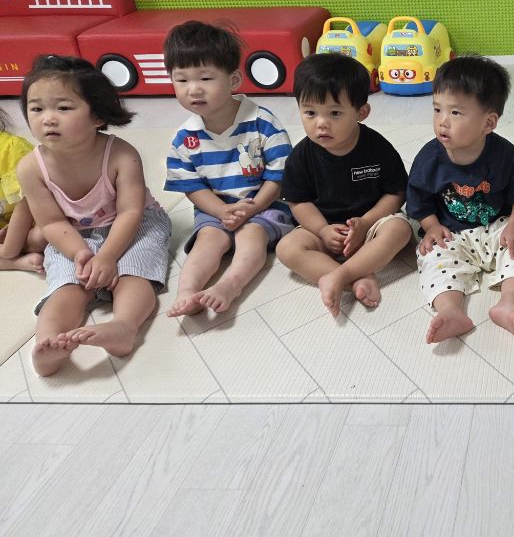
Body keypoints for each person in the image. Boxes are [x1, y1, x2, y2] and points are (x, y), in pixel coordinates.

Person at [16, 56, 171, 376]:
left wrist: (109, 256)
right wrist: (81, 254)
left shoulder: (121, 154)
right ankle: (48, 342)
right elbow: (51, 222)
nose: (48, 119)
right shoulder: (31, 168)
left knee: (133, 275)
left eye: (63, 108)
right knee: (65, 287)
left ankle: (124, 327)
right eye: (36, 108)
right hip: (71, 235)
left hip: (133, 224)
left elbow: (130, 210)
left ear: (97, 116)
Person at [406, 55, 514, 343]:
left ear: (488, 122)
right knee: (432, 256)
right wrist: (431, 226)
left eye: (455, 113)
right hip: (450, 232)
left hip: (497, 226)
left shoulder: (507, 157)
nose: (442, 121)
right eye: (437, 109)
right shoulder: (429, 158)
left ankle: (510, 302)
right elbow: (419, 199)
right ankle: (450, 311)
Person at [163, 22, 294, 317]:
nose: (193, 89)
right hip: (215, 208)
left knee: (251, 236)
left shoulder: (263, 123)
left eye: (205, 78)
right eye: (181, 80)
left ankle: (230, 286)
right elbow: (192, 186)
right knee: (208, 242)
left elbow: (279, 175)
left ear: (234, 80)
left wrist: (254, 207)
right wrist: (220, 211)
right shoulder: (185, 137)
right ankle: (187, 292)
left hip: (264, 205)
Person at [277, 54, 413, 313]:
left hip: (370, 226)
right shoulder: (301, 155)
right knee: (287, 249)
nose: (321, 123)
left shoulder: (378, 147)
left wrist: (366, 223)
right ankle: (355, 278)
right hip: (322, 228)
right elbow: (298, 201)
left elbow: (396, 193)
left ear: (361, 113)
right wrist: (322, 230)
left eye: (335, 113)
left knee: (400, 230)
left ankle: (342, 275)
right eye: (310, 112)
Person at [0, 106, 45, 273]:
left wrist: (10, 247)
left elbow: (27, 200)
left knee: (42, 237)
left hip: (30, 222)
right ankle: (15, 263)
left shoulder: (11, 148)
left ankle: (13, 254)